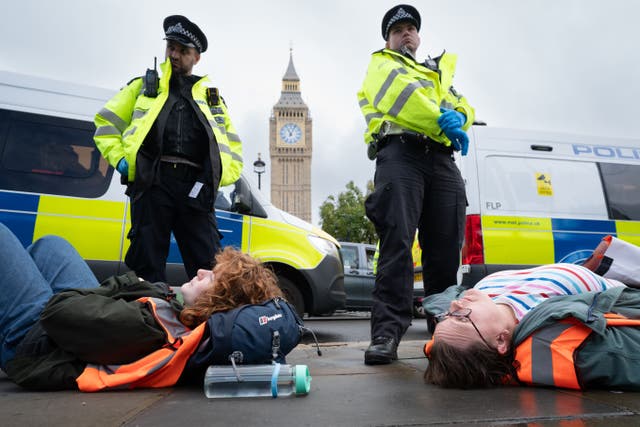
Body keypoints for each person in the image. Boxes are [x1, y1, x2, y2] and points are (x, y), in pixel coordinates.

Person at [0, 222, 282, 391]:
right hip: (77, 326)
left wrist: (129, 281)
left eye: (212, 278)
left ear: (218, 303)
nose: (199, 272)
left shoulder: (146, 326)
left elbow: (55, 311)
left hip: (35, 343)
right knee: (52, 245)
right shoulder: (185, 319)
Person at [357, 4, 475, 365]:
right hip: (401, 153)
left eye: (411, 28)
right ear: (388, 40)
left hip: (441, 160)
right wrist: (444, 119)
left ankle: (444, 332)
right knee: (397, 244)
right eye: (398, 30)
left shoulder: (437, 74)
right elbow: (402, 101)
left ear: (419, 36)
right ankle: (387, 334)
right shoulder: (382, 64)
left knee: (444, 250)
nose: (406, 33)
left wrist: (461, 117)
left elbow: (464, 106)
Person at [93, 15, 243, 283]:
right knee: (146, 266)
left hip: (196, 187)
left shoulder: (213, 100)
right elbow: (105, 123)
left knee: (209, 269)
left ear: (196, 57)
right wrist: (122, 160)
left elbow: (232, 148)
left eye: (182, 50)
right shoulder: (142, 87)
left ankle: (210, 323)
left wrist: (217, 178)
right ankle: (147, 321)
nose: (174, 55)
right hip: (153, 181)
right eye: (170, 47)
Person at [423, 236, 640, 390]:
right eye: (461, 318)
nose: (454, 306)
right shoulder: (546, 314)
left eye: (446, 316)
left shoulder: (485, 293)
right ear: (501, 341)